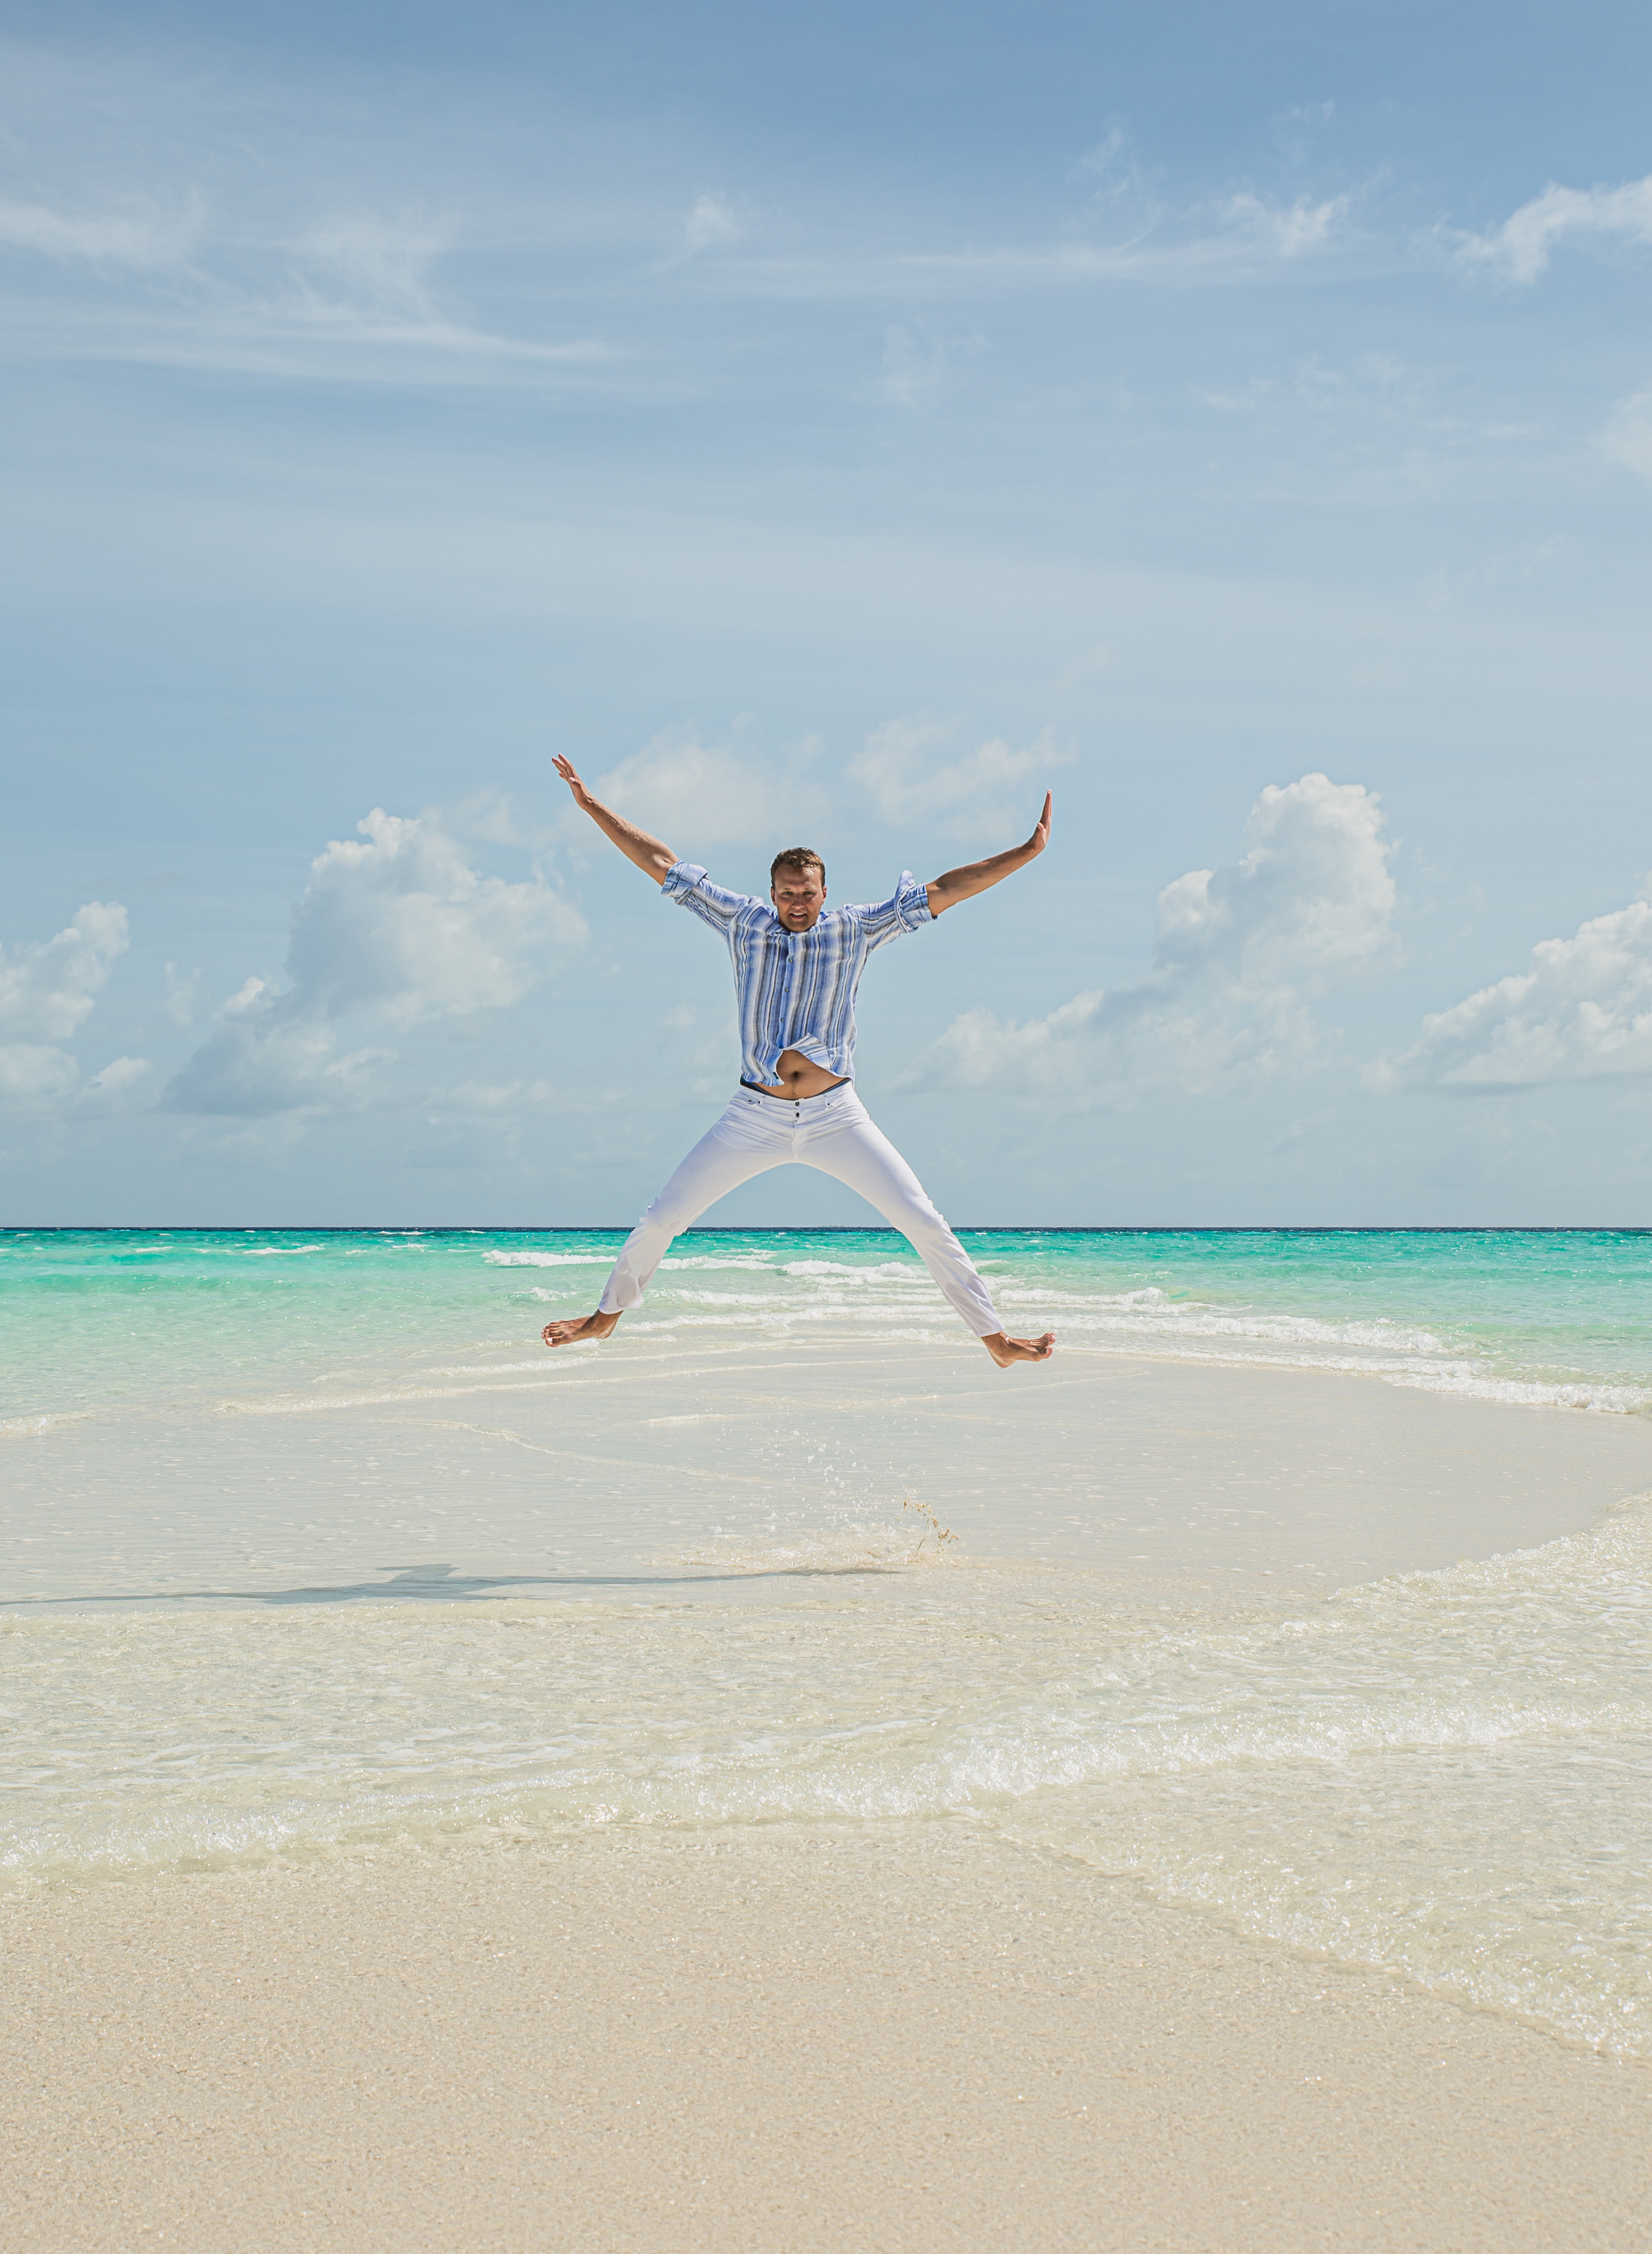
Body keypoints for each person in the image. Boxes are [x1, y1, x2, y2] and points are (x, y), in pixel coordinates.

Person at [541, 753, 1056, 1367]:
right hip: (751, 1116)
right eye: (787, 894)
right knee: (662, 1219)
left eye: (807, 894)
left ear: (824, 892)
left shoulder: (856, 928)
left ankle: (995, 1340)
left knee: (922, 1220)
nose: (797, 904)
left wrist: (1026, 852)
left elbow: (945, 890)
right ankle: (604, 1319)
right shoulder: (741, 921)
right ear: (772, 892)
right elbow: (663, 865)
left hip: (837, 1115)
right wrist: (592, 806)